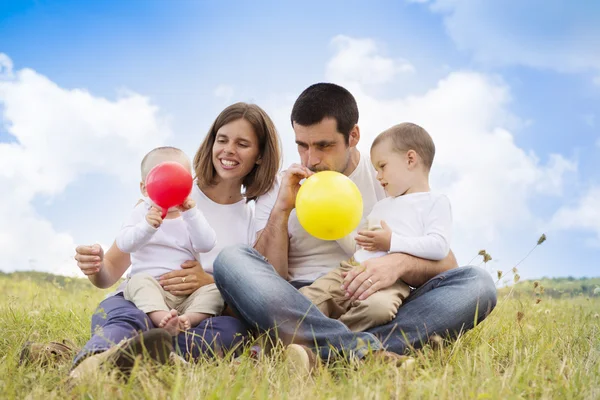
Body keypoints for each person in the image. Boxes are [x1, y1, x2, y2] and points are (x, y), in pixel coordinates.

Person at [213, 83, 497, 372]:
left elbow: (446, 263)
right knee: (230, 259)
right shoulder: (281, 186)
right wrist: (283, 209)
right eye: (302, 145)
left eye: (324, 145)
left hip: (377, 297)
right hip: (301, 300)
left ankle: (312, 349)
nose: (311, 159)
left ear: (353, 136)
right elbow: (271, 276)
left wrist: (396, 265)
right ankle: (363, 352)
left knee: (478, 284)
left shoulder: (387, 178)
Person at [70, 102, 281, 378]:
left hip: (189, 318)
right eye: (222, 140)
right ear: (211, 143)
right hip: (139, 303)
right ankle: (92, 365)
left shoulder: (251, 217)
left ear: (260, 156)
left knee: (233, 331)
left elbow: (249, 298)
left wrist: (211, 281)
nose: (229, 150)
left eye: (242, 144)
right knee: (129, 319)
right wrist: (95, 266)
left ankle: (143, 356)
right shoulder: (170, 190)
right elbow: (110, 272)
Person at [299, 122, 452, 333]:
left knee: (378, 310)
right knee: (307, 300)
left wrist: (392, 242)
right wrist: (333, 225)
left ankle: (331, 339)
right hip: (351, 269)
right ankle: (267, 344)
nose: (378, 175)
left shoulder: (435, 202)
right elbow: (359, 244)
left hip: (392, 282)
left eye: (382, 166)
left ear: (410, 159)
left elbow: (439, 246)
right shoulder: (381, 206)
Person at [117, 146, 221, 336]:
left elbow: (206, 244)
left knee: (216, 290)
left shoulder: (190, 215)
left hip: (188, 295)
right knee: (139, 282)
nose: (170, 186)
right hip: (153, 288)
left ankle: (189, 319)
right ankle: (162, 318)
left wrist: (191, 214)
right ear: (144, 188)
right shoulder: (141, 213)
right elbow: (124, 244)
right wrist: (147, 226)